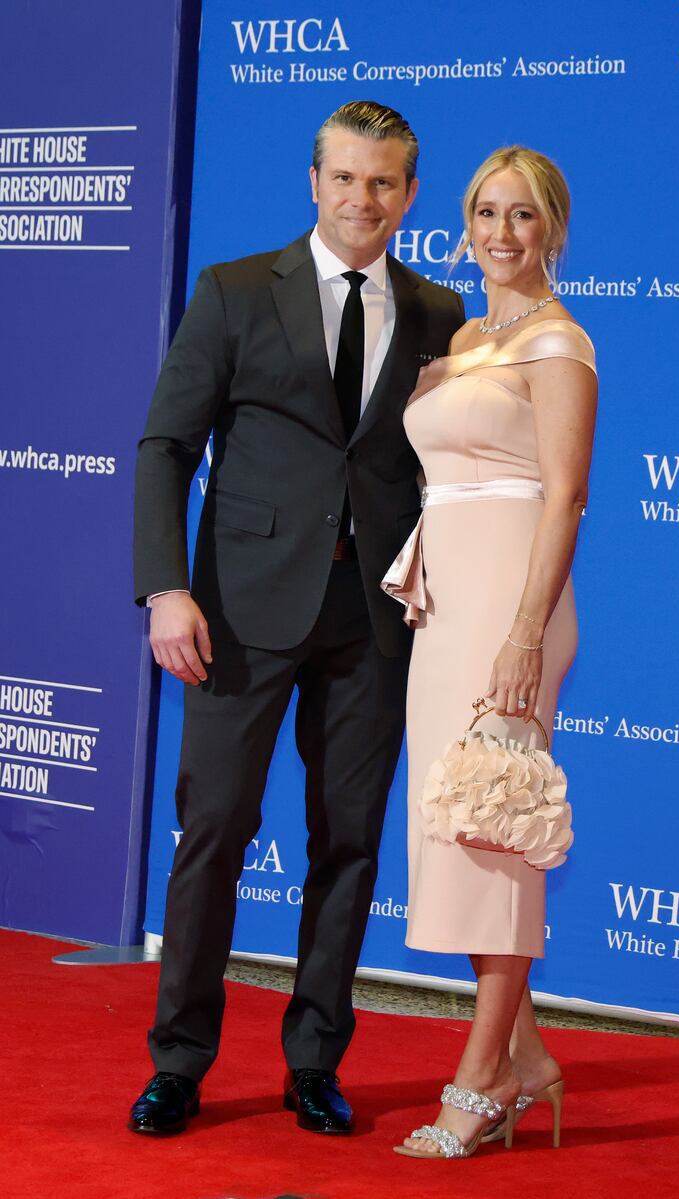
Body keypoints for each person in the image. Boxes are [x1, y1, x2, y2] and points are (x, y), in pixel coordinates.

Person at [129, 101, 464, 1137]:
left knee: (348, 841)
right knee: (215, 832)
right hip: (238, 609)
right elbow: (165, 446)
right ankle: (179, 1061)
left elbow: (434, 464)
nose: (363, 200)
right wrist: (165, 586)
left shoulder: (437, 310)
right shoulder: (234, 290)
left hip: (373, 617)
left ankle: (314, 1058)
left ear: (408, 195)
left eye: (384, 183)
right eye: (346, 179)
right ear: (312, 182)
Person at [382, 146, 597, 1158]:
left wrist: (521, 634)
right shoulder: (465, 335)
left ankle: (479, 1074)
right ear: (462, 223)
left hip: (510, 605)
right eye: (484, 212)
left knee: (497, 835)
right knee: (457, 818)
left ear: (551, 227)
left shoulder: (559, 343)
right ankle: (529, 1056)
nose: (500, 233)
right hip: (443, 608)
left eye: (521, 216)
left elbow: (563, 495)